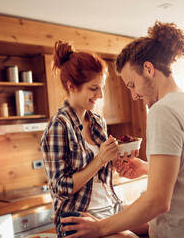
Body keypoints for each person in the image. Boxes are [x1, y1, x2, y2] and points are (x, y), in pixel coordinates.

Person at [60, 21, 184, 238]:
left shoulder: (163, 111)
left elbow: (157, 202)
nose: (134, 95)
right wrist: (150, 168)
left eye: (132, 85)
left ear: (149, 69)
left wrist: (100, 227)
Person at [40, 40, 141, 237]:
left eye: (101, 87)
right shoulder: (59, 126)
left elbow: (101, 170)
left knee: (161, 222)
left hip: (111, 205)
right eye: (94, 88)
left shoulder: (97, 121)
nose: (100, 95)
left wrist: (120, 160)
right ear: (72, 86)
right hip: (79, 218)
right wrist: (100, 159)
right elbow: (60, 188)